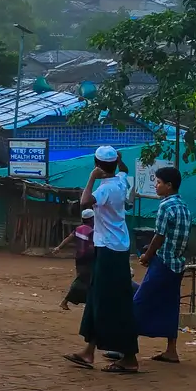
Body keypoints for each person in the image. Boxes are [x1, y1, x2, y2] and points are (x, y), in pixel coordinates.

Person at [63, 146, 139, 374]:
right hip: (113, 248)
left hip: (110, 251)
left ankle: (129, 358)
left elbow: (84, 202)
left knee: (114, 303)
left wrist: (91, 178)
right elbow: (124, 170)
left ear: (97, 165)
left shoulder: (106, 189)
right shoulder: (121, 180)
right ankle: (89, 351)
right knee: (97, 298)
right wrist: (120, 162)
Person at [134, 166, 192, 364]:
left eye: (158, 183)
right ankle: (171, 350)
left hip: (164, 261)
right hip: (178, 264)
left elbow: (159, 236)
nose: (155, 186)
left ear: (169, 186)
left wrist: (147, 256)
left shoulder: (165, 206)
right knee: (170, 304)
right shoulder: (184, 207)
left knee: (139, 301)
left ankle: (125, 347)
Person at [53, 209, 96, 310]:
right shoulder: (92, 230)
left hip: (79, 258)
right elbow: (93, 247)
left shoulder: (79, 229)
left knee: (85, 280)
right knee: (83, 280)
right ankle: (65, 301)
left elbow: (69, 238)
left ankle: (88, 302)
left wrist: (59, 247)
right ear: (91, 219)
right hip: (89, 258)